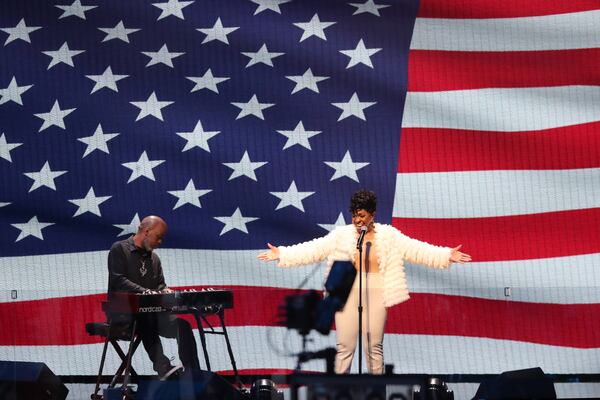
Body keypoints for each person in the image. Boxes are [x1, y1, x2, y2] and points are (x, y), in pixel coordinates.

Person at [258, 190, 471, 374]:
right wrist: (282, 253)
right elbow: (315, 248)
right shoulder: (341, 235)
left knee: (374, 347)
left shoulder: (389, 235)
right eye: (354, 216)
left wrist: (445, 255)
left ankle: (376, 392)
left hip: (377, 293)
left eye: (362, 215)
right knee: (345, 347)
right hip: (346, 294)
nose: (357, 220)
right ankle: (338, 393)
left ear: (372, 214)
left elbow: (416, 249)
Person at [107, 215, 200, 379]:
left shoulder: (154, 259)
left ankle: (193, 373)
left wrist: (166, 291)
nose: (160, 242)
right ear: (147, 231)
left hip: (150, 313)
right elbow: (118, 280)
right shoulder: (119, 249)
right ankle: (164, 368)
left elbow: (159, 286)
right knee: (144, 318)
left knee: (182, 326)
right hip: (123, 315)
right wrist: (145, 292)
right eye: (158, 237)